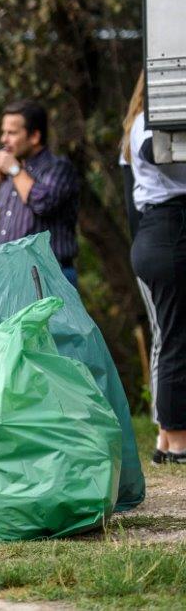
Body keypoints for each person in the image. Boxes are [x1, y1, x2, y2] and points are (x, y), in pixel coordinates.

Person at [124, 79, 186, 464]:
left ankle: (166, 436)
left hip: (161, 231)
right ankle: (179, 438)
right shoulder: (151, 121)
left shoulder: (145, 118)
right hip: (167, 229)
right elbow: (154, 149)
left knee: (171, 335)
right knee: (176, 337)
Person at [0, 99, 80, 286]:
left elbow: (44, 204)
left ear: (34, 136)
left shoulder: (58, 168)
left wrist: (15, 171)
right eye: (3, 132)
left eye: (12, 133)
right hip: (11, 277)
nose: (3, 139)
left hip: (50, 277)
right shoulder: (14, 170)